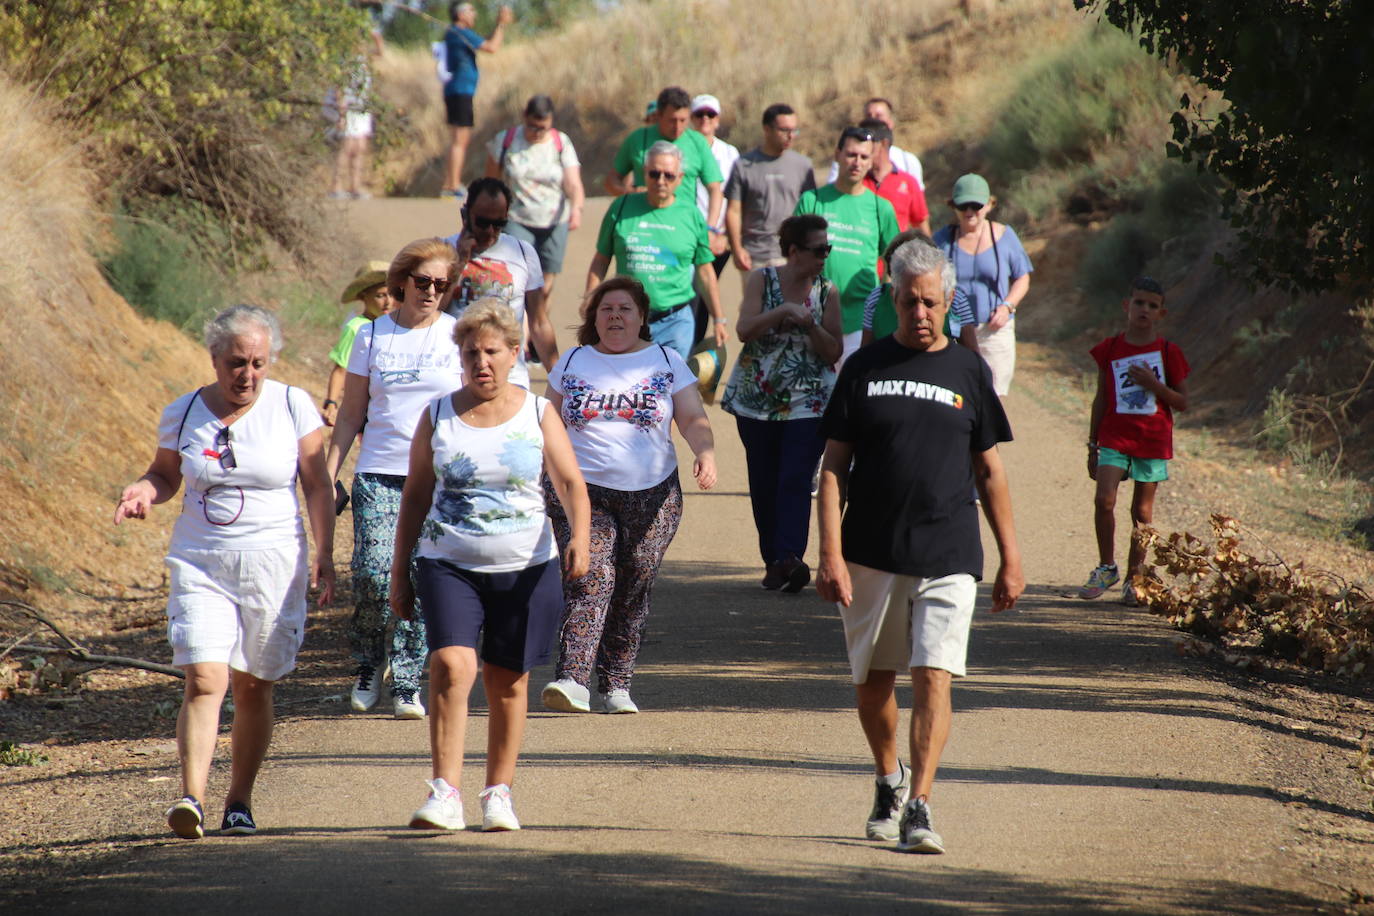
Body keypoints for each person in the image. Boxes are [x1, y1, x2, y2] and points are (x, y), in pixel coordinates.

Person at [816, 239, 1023, 855]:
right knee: (873, 683)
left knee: (935, 674)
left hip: (949, 550)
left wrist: (1011, 556)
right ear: (893, 299)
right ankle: (889, 779)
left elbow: (990, 472)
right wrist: (828, 553)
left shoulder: (968, 371)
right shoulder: (863, 368)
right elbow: (832, 471)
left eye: (931, 302)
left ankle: (922, 806)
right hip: (870, 550)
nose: (921, 314)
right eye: (909, 303)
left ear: (950, 300)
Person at [114, 305, 335, 839]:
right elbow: (166, 475)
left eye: (258, 362)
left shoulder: (291, 405)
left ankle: (239, 800)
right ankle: (191, 797)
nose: (248, 374)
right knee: (204, 677)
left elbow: (317, 483)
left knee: (254, 685)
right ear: (215, 358)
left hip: (273, 563)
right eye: (237, 362)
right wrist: (146, 490)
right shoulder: (185, 411)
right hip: (200, 560)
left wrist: (324, 553)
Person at [391, 299, 590, 832]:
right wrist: (397, 571)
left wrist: (582, 538)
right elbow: (415, 495)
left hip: (526, 566)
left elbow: (570, 482)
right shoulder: (437, 414)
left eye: (492, 352)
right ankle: (444, 792)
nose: (482, 362)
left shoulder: (538, 411)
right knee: (454, 666)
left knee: (508, 681)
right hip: (447, 560)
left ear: (513, 354)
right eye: (472, 352)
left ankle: (498, 793)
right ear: (460, 356)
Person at [540, 278, 717, 715]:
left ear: (642, 317)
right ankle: (573, 679)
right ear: (593, 318)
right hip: (582, 491)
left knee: (634, 581)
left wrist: (705, 452)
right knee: (590, 575)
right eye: (606, 309)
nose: (615, 316)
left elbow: (693, 416)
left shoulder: (666, 359)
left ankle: (616, 683)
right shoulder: (574, 360)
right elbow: (546, 423)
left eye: (624, 309)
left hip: (653, 494)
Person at [326, 238, 464, 720]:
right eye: (422, 282)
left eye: (441, 285)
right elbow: (350, 413)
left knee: (422, 579)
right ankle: (368, 661)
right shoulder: (371, 336)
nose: (430, 291)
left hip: (437, 479)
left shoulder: (455, 335)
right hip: (379, 473)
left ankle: (407, 680)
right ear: (401, 282)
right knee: (371, 575)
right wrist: (330, 471)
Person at [720, 215, 841, 592]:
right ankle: (773, 560)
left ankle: (791, 556)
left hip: (811, 401)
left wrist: (810, 325)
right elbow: (743, 329)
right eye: (818, 249)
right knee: (764, 480)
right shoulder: (763, 279)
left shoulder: (826, 291)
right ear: (794, 251)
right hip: (758, 400)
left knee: (795, 476)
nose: (824, 256)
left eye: (827, 249)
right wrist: (784, 311)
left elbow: (833, 351)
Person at [1080, 276, 1190, 605]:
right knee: (1104, 500)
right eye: (1139, 303)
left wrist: (1154, 385)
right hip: (1114, 435)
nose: (1144, 309)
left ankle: (1134, 576)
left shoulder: (1169, 352)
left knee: (1142, 512)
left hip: (1152, 440)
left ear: (1161, 313)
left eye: (1152, 305)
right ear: (1127, 306)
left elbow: (1182, 401)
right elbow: (1101, 397)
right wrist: (1092, 443)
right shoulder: (1111, 348)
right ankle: (1106, 567)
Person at [587, 141, 727, 359]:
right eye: (654, 174)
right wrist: (590, 299)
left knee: (670, 387)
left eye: (669, 175)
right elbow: (601, 260)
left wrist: (719, 318)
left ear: (680, 178)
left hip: (675, 321)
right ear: (644, 174)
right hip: (626, 319)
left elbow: (705, 271)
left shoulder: (691, 215)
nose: (661, 181)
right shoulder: (622, 207)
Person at [794, 126, 899, 367]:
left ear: (872, 160)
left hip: (860, 322)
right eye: (851, 154)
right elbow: (792, 258)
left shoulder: (881, 208)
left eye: (864, 157)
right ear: (837, 154)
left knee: (852, 399)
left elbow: (897, 265)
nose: (857, 162)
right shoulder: (813, 200)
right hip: (812, 318)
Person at [442, 177, 559, 385]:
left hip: (511, 377)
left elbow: (539, 322)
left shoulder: (523, 252)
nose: (490, 231)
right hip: (455, 375)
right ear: (465, 215)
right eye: (482, 222)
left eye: (499, 224)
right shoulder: (443, 251)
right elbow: (432, 313)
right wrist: (459, 262)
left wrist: (560, 378)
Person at [932, 173, 1032, 397]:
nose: (969, 212)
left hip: (993, 330)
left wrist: (1007, 306)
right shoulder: (941, 240)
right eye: (963, 205)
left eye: (976, 205)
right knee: (955, 393)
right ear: (953, 206)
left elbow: (1022, 277)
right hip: (953, 331)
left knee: (992, 396)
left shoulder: (1005, 237)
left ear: (989, 205)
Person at [483, 95, 586, 303]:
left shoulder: (561, 142)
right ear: (524, 117)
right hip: (517, 218)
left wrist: (577, 208)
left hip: (555, 221)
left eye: (543, 128)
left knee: (545, 287)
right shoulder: (507, 140)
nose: (537, 133)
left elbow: (573, 182)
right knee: (520, 280)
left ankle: (536, 331)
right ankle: (522, 327)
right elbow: (490, 182)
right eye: (532, 127)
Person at [606, 86, 724, 227]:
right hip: (642, 223)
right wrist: (628, 192)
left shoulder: (697, 142)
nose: (677, 126)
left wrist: (710, 228)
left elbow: (715, 189)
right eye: (672, 120)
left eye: (683, 120)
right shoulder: (638, 139)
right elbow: (611, 181)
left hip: (683, 225)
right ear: (659, 115)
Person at [725, 103, 815, 273]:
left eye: (794, 130)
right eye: (784, 130)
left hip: (791, 256)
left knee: (789, 301)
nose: (790, 136)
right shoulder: (744, 165)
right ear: (767, 129)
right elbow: (733, 211)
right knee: (755, 300)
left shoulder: (804, 166)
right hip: (754, 256)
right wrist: (737, 249)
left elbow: (811, 213)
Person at [441, 1, 514, 199]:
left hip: (458, 90)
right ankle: (452, 185)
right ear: (461, 14)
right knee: (459, 139)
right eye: (471, 11)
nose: (474, 15)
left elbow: (485, 43)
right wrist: (501, 24)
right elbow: (491, 47)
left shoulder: (456, 33)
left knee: (459, 139)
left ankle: (451, 182)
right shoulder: (460, 32)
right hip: (460, 90)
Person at [862, 231, 978, 353]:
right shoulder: (877, 297)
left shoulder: (955, 298)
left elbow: (972, 353)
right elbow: (865, 353)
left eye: (930, 303)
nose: (919, 313)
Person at [323, 262, 394, 427]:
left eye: (391, 294)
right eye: (380, 295)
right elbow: (341, 369)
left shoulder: (394, 327)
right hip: (365, 408)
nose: (388, 302)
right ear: (363, 296)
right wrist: (331, 402)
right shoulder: (356, 328)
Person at [827, 97, 924, 188]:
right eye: (869, 115)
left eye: (879, 115)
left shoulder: (907, 161)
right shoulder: (848, 157)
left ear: (890, 122)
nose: (872, 119)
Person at [859, 118, 929, 235]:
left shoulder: (908, 182)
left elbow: (921, 225)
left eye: (867, 142)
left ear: (883, 143)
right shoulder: (856, 181)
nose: (862, 148)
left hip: (897, 252)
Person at [328, 47, 376, 200]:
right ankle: (336, 186)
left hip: (361, 109)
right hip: (347, 108)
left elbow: (379, 52)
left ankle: (355, 186)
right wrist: (341, 115)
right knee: (347, 147)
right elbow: (340, 88)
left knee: (360, 147)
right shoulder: (346, 62)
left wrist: (376, 37)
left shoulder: (363, 61)